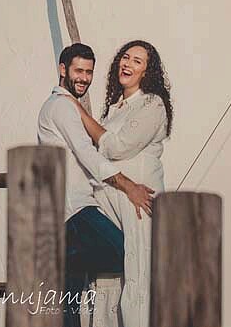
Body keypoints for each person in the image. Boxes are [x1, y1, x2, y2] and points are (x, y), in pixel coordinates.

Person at [38, 43, 156, 327]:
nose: (84, 78)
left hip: (71, 210)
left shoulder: (69, 106)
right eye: (78, 70)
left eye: (89, 72)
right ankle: (67, 258)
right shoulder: (61, 106)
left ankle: (67, 260)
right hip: (75, 209)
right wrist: (129, 186)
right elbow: (87, 154)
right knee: (123, 253)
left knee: (70, 305)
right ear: (62, 69)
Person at [67, 40, 173, 327]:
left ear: (147, 72)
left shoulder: (152, 104)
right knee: (108, 274)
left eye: (137, 61)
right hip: (109, 197)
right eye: (125, 57)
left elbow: (117, 147)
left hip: (138, 198)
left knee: (139, 269)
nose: (127, 63)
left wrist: (78, 112)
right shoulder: (113, 109)